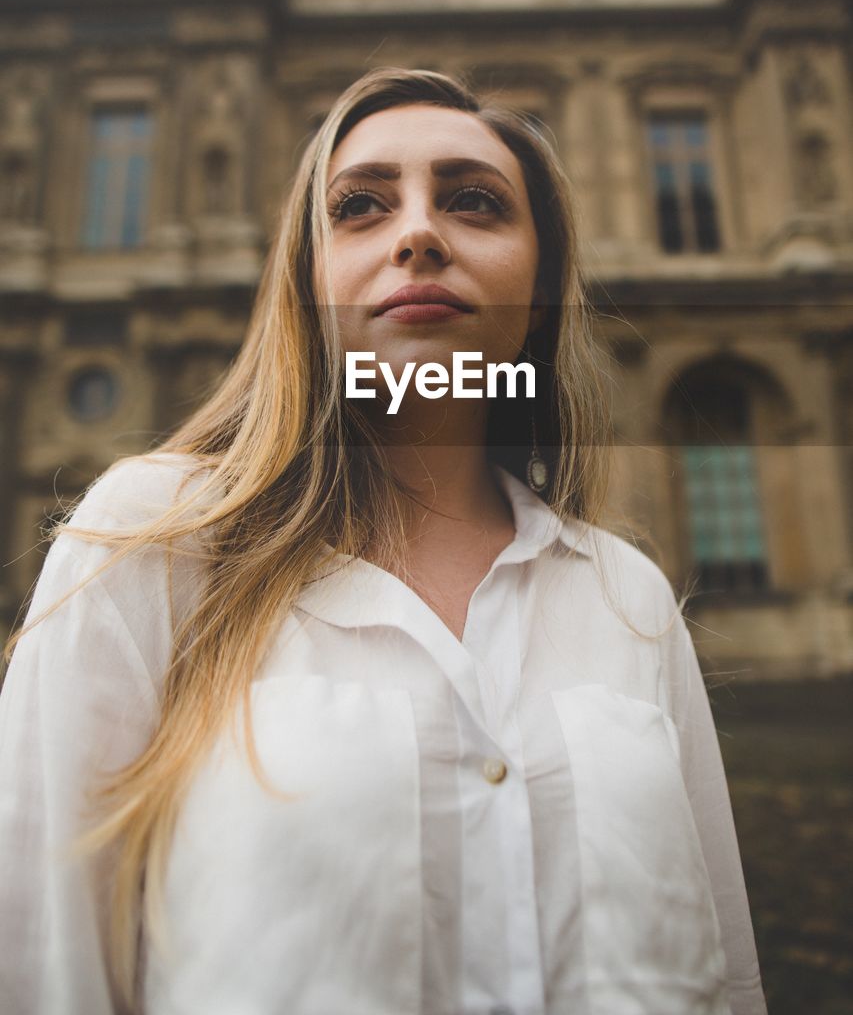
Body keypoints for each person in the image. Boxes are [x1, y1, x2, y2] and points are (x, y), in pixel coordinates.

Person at [0, 68, 767, 1015]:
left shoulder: (630, 599)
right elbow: (41, 971)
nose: (417, 234)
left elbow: (727, 983)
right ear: (305, 281)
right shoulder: (148, 546)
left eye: (475, 203)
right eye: (358, 206)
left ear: (538, 291)